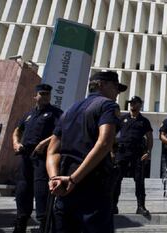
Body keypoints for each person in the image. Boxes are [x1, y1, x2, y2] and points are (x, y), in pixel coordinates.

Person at [46, 71, 127, 232]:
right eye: (116, 87)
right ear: (101, 85)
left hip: (64, 187)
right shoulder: (107, 106)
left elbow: (52, 150)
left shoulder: (69, 110)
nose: (118, 92)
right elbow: (104, 142)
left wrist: (54, 178)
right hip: (92, 187)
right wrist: (74, 179)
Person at [12, 84, 63, 233]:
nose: (46, 96)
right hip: (26, 156)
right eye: (42, 93)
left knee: (41, 190)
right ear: (35, 96)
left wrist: (43, 143)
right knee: (22, 189)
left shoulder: (55, 113)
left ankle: (43, 223)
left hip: (42, 156)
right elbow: (17, 130)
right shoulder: (28, 114)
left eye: (48, 93)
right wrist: (16, 142)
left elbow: (60, 132)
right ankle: (21, 221)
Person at [113, 96, 153, 216]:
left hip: (138, 154)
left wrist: (148, 152)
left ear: (140, 105)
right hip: (122, 153)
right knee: (116, 180)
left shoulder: (144, 121)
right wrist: (111, 151)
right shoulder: (122, 118)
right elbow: (112, 134)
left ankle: (140, 206)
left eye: (135, 103)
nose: (132, 105)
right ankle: (113, 206)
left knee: (139, 181)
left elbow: (150, 138)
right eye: (131, 103)